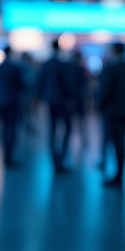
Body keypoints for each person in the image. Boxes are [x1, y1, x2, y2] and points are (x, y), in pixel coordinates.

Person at [99, 43, 125, 186]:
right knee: (122, 142)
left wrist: (100, 106)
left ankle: (118, 175)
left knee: (117, 143)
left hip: (114, 111)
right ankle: (120, 173)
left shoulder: (111, 69)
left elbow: (106, 91)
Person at [39, 40, 74, 172]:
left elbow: (41, 82)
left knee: (52, 130)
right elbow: (68, 83)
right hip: (62, 100)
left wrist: (41, 98)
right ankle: (60, 157)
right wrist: (72, 97)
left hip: (50, 100)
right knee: (67, 128)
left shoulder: (46, 64)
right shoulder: (62, 64)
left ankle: (54, 160)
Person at [0, 47, 24, 166]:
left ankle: (5, 153)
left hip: (1, 101)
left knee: (4, 127)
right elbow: (20, 84)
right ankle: (9, 155)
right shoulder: (15, 68)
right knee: (11, 128)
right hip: (13, 101)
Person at [70, 51, 90, 150]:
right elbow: (85, 84)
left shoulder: (69, 68)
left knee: (70, 121)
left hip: (71, 98)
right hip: (79, 97)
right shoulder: (80, 69)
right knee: (81, 120)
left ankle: (73, 139)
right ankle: (84, 139)